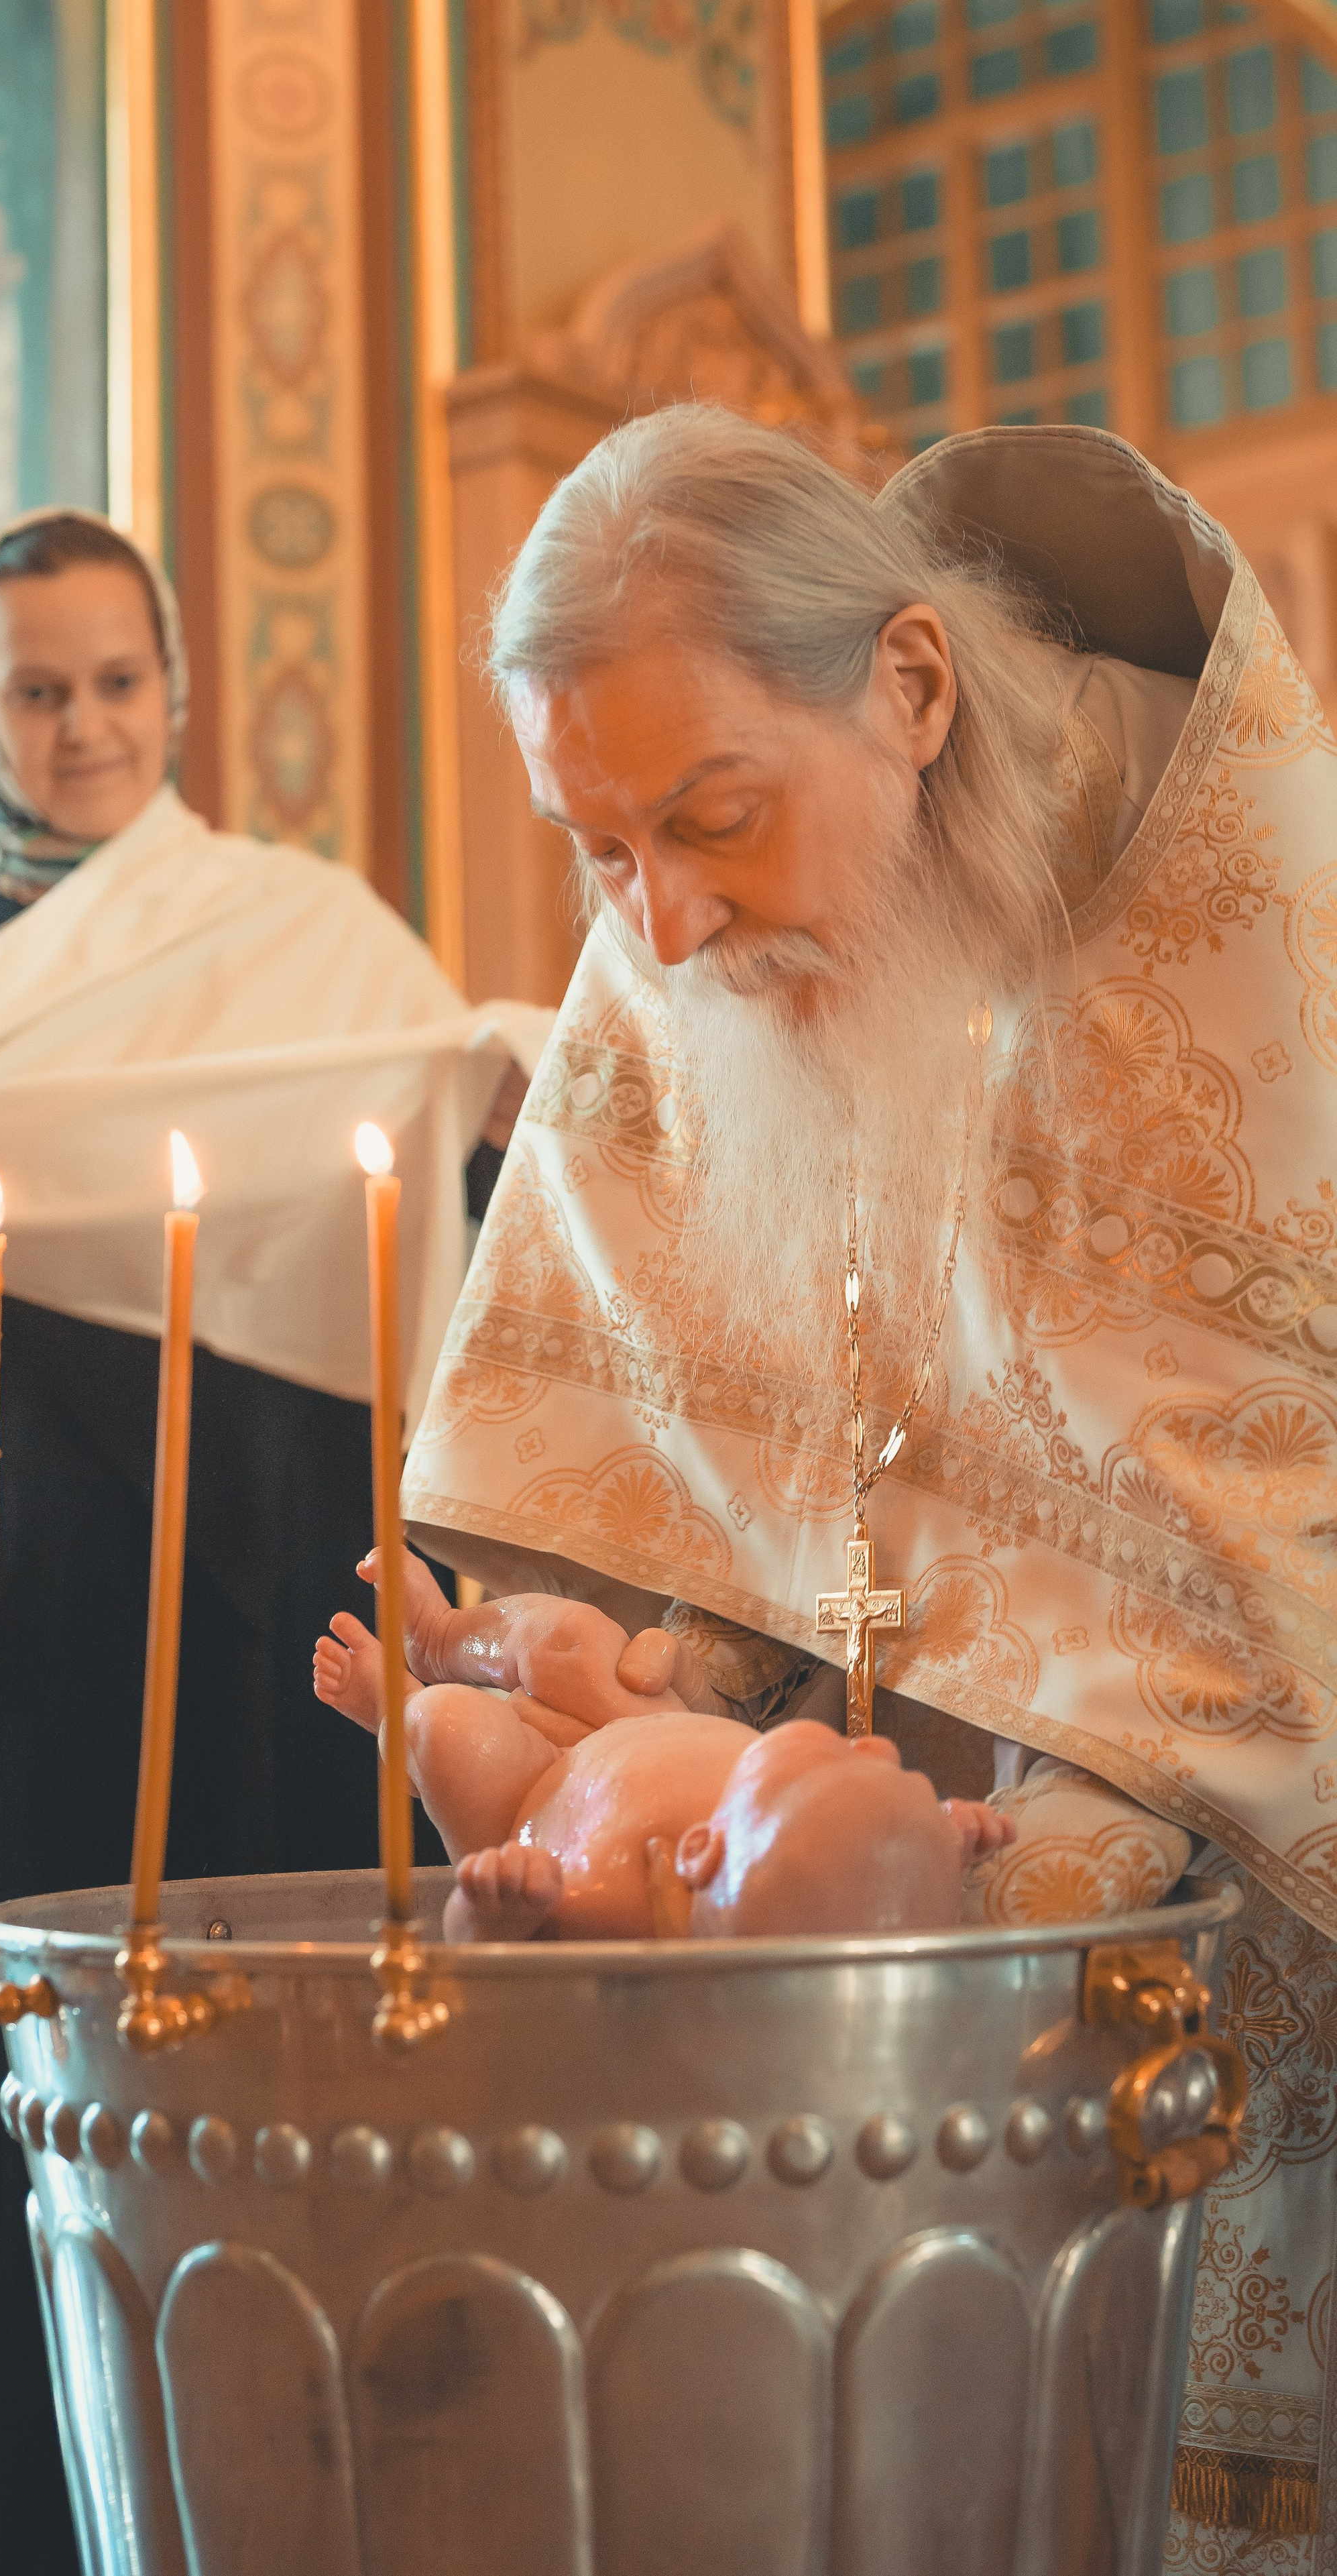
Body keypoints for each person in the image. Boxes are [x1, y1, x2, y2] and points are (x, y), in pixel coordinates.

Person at [400, 408, 1337, 2559]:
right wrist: (640, 1660)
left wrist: (1069, 1793)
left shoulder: (1272, 923)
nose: (663, 920)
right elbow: (692, 1435)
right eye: (597, 849)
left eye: (711, 820)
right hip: (842, 2014)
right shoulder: (689, 915)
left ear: (908, 687)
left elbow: (1260, 1543)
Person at [0, 509, 534, 2576]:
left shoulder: (311, 935)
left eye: (116, 682)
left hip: (269, 1592)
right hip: (9, 1607)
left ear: (176, 687)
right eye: (37, 689)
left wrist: (504, 1101)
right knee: (6, 2072)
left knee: (275, 2059)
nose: (81, 725)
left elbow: (435, 1194)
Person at [313, 1552, 1012, 1939]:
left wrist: (497, 1910)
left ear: (701, 1850)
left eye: (834, 1758)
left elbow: (478, 1959)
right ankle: (443, 1638)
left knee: (450, 1728)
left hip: (530, 1797)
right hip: (641, 1721)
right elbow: (875, 1870)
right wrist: (936, 1834)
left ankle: (394, 1706)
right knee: (575, 1641)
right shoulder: (820, 1856)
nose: (870, 1748)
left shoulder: (599, 1899)